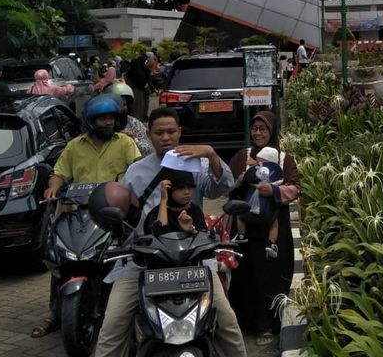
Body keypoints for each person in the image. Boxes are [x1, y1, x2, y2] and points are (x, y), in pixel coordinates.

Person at [92, 108, 242, 357]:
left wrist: (212, 154)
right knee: (112, 326)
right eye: (159, 132)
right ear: (149, 135)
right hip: (144, 263)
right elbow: (127, 214)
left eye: (171, 131)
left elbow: (222, 188)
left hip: (192, 261)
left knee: (227, 322)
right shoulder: (136, 171)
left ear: (180, 132)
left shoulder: (197, 163)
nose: (166, 137)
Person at [32, 95, 141, 338]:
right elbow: (59, 173)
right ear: (91, 121)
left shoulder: (125, 143)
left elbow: (138, 171)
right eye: (102, 118)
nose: (108, 123)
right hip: (78, 212)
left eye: (111, 118)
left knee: (122, 257)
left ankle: (126, 307)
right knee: (62, 255)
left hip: (114, 214)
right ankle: (54, 312)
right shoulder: (74, 146)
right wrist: (53, 187)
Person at [227, 111, 300, 348]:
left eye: (263, 129)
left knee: (270, 276)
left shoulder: (284, 159)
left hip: (272, 225)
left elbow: (296, 187)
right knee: (244, 273)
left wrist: (275, 192)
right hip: (246, 225)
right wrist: (241, 181)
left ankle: (267, 325)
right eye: (255, 129)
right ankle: (247, 322)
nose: (258, 133)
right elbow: (229, 186)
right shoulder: (242, 156)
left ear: (272, 132)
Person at [230, 146, 283, 258]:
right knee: (274, 224)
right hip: (268, 214)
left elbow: (246, 178)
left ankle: (241, 234)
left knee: (239, 215)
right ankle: (272, 243)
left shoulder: (255, 175)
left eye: (259, 161)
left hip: (248, 212)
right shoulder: (275, 179)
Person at [150, 168, 205, 235]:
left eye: (190, 187)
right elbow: (160, 237)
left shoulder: (195, 211)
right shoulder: (155, 213)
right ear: (169, 189)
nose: (187, 192)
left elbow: (205, 238)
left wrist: (191, 230)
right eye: (181, 188)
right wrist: (164, 200)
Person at [107, 82, 152, 156]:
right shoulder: (100, 124)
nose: (121, 107)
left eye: (124, 104)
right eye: (117, 104)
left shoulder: (134, 123)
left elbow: (148, 150)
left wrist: (133, 140)